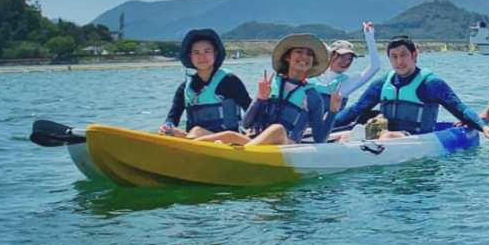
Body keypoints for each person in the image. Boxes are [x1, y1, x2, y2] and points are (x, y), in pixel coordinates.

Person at [330, 36, 489, 140]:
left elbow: (460, 108)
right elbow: (355, 109)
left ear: (414, 55)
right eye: (394, 57)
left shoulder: (431, 83)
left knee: (386, 137)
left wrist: (483, 127)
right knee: (347, 134)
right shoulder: (383, 83)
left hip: (416, 140)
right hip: (384, 139)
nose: (399, 62)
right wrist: (326, 125)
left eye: (404, 55)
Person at [194, 34, 340, 147]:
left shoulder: (312, 96)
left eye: (309, 54)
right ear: (288, 57)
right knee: (216, 133)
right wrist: (261, 99)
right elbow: (246, 124)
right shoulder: (270, 84)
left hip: (286, 146)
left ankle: (240, 154)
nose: (304, 57)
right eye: (299, 52)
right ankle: (188, 148)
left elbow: (320, 138)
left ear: (312, 62)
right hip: (256, 142)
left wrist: (333, 111)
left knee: (277, 129)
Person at [159, 29, 253, 138]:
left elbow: (250, 109)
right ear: (190, 56)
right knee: (172, 132)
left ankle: (188, 138)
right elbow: (173, 117)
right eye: (196, 52)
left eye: (207, 51)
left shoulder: (229, 80)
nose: (202, 57)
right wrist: (168, 126)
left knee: (196, 131)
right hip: (198, 141)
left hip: (229, 141)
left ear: (215, 53)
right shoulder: (184, 88)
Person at [312, 21, 383, 110]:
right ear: (332, 55)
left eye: (349, 58)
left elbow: (375, 66)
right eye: (342, 57)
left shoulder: (346, 83)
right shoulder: (313, 75)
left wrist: (369, 36)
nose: (346, 62)